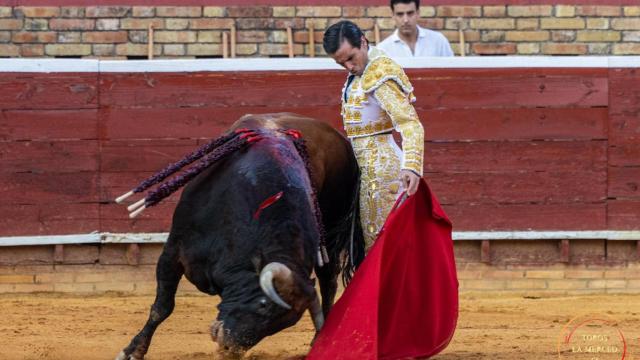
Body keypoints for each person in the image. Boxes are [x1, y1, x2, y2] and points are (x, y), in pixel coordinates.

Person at [323, 20, 424, 250]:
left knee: (382, 246)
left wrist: (412, 166)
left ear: (363, 42)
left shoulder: (379, 74)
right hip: (367, 170)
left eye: (350, 58)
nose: (348, 66)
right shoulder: (362, 72)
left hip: (384, 175)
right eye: (341, 63)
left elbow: (410, 123)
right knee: (373, 245)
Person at [378, 0, 454, 57]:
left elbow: (452, 72)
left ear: (418, 13)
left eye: (410, 13)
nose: (406, 20)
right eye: (400, 14)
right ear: (393, 15)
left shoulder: (438, 41)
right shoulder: (383, 49)